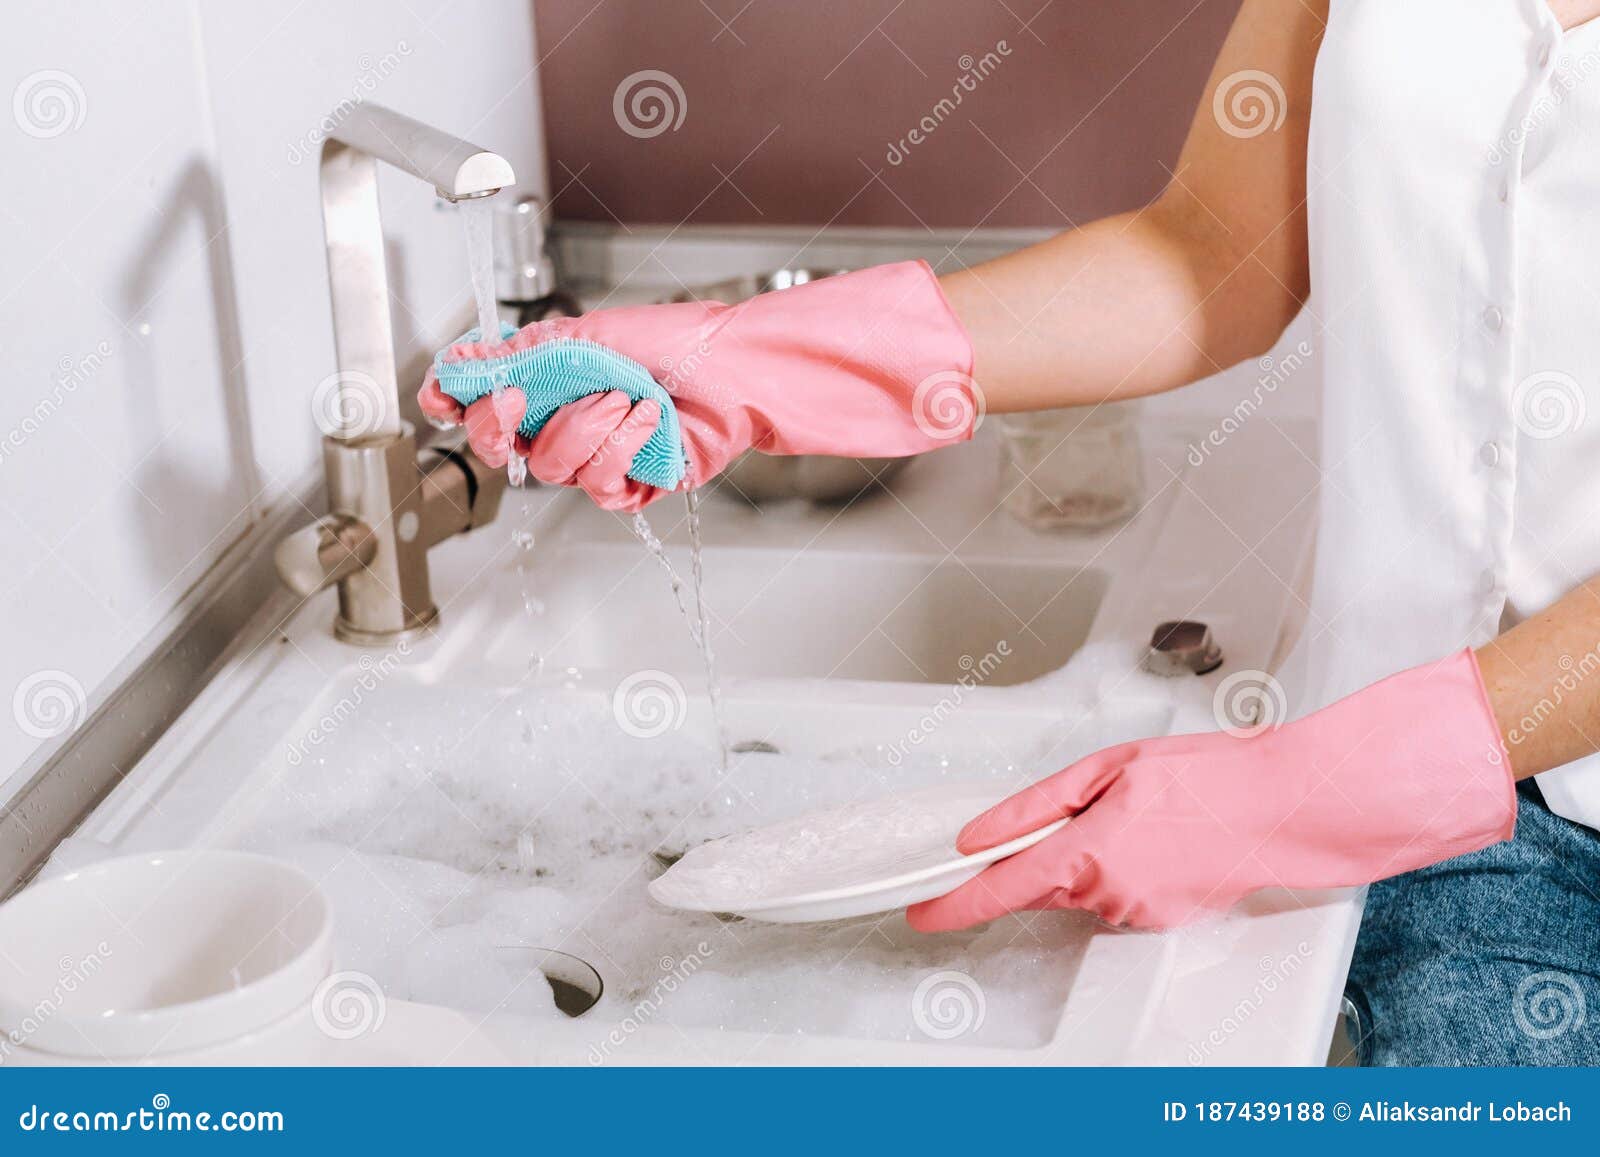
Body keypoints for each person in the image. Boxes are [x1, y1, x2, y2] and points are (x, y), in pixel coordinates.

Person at [420, 0, 1600, 1064]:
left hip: (1428, 788)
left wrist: (1304, 791)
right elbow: (1209, 258)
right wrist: (742, 358)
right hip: (1445, 831)